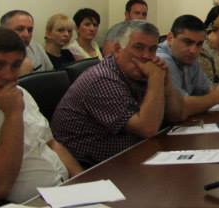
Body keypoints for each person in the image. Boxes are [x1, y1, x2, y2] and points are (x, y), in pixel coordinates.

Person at [51, 21, 186, 166]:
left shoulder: (139, 73)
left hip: (129, 156)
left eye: (152, 49)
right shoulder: (102, 78)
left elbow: (177, 115)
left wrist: (166, 81)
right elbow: (147, 129)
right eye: (138, 47)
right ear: (117, 49)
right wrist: (156, 79)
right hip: (88, 167)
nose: (147, 56)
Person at [0, 27, 81, 202]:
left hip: (64, 191)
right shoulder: (13, 103)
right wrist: (13, 115)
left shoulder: (21, 93)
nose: (8, 75)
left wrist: (82, 180)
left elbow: (51, 143)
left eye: (15, 65)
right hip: (30, 203)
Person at [156, 15, 219, 115]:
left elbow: (208, 90)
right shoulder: (162, 60)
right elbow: (179, 108)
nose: (193, 50)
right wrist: (216, 97)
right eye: (187, 42)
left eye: (199, 44)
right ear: (170, 38)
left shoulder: (188, 58)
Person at [0, 10, 53, 75]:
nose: (26, 35)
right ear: (3, 31)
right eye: (19, 29)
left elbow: (51, 74)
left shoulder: (36, 47)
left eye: (30, 30)